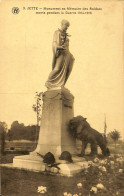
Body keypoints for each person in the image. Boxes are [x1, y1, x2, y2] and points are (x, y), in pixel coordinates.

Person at [45, 19, 75, 89]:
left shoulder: (66, 36)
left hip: (67, 55)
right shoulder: (57, 32)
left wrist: (70, 55)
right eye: (66, 25)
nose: (67, 27)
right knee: (57, 69)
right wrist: (59, 47)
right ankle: (49, 82)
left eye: (68, 26)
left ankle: (61, 84)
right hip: (60, 53)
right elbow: (54, 43)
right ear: (62, 24)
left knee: (67, 69)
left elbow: (67, 47)